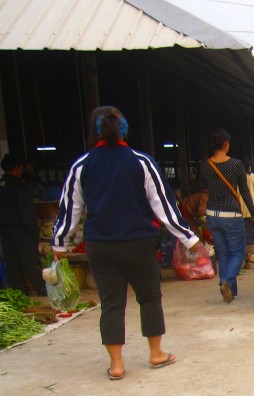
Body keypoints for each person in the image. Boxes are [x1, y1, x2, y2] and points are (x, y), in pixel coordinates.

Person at [52, 105, 199, 379]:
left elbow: (69, 208)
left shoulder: (82, 165)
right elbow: (163, 206)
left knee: (111, 303)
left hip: (100, 245)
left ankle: (117, 364)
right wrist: (189, 239)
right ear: (124, 128)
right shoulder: (140, 161)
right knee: (149, 297)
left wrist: (59, 244)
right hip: (137, 243)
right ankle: (156, 354)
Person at [199, 129, 254, 303]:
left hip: (212, 214)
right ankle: (227, 281)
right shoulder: (235, 164)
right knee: (238, 252)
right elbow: (244, 191)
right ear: (225, 144)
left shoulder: (204, 165)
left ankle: (230, 291)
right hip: (231, 213)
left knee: (223, 253)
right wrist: (253, 212)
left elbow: (205, 186)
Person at [0, 153, 46, 296]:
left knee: (12, 262)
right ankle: (43, 290)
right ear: (17, 168)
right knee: (30, 261)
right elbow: (26, 210)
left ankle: (20, 292)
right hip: (22, 230)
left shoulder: (1, 185)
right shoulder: (19, 186)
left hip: (4, 230)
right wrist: (34, 228)